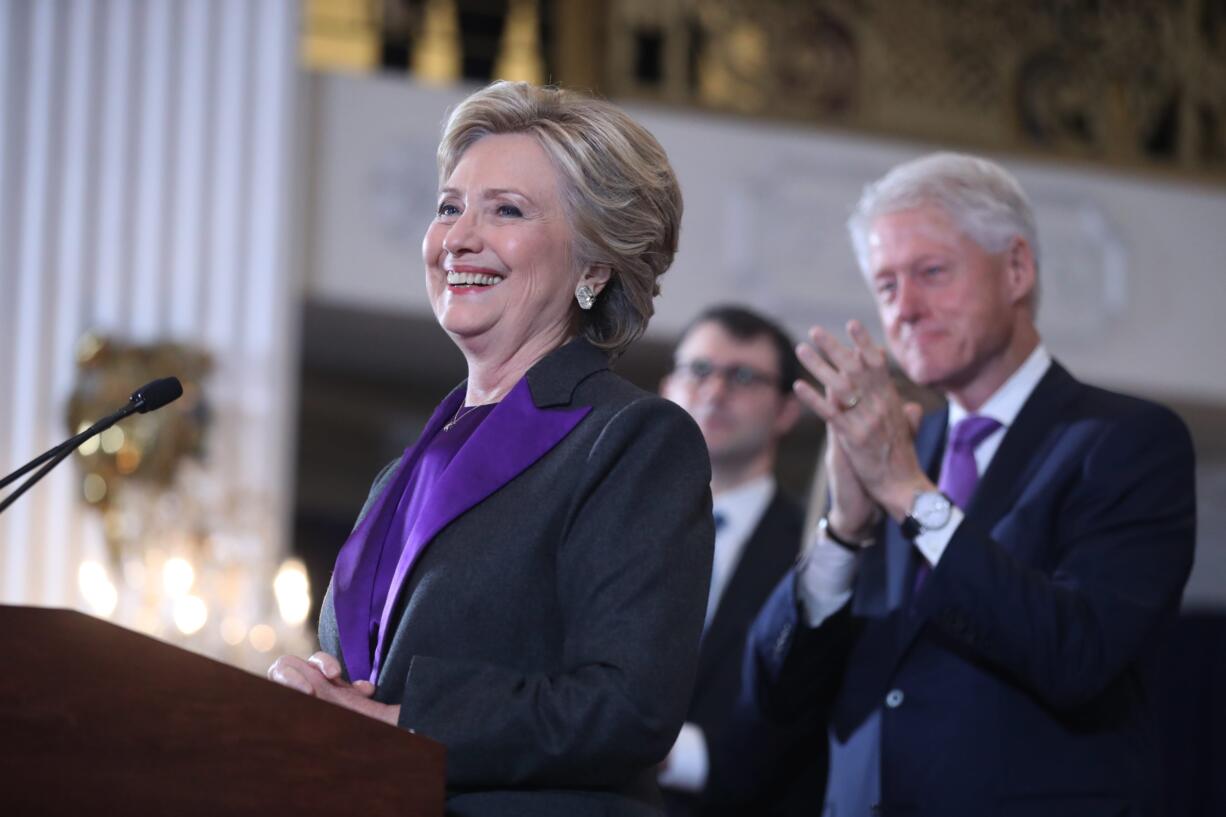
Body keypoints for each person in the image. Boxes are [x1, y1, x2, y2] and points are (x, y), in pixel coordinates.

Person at [268, 81, 714, 817]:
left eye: (506, 210)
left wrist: (399, 722)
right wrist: (323, 689)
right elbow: (379, 670)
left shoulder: (632, 440)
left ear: (594, 266)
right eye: (449, 206)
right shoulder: (398, 476)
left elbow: (626, 706)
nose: (459, 238)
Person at [737, 152, 1196, 816]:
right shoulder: (895, 451)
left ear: (1017, 269)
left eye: (931, 272)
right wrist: (844, 532)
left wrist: (911, 497)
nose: (907, 309)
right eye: (888, 286)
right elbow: (777, 699)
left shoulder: (1127, 443)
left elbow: (1077, 655)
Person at [657, 306, 825, 817]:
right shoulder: (606, 519)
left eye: (745, 376)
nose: (716, 390)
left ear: (786, 411)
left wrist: (643, 748)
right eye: (700, 370)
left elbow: (807, 718)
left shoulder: (820, 551)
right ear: (668, 388)